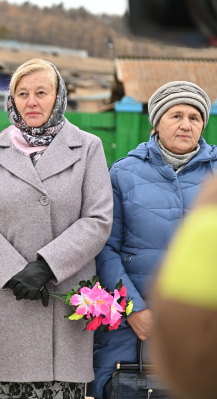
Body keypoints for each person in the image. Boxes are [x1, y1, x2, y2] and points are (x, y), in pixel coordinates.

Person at [0, 59, 113, 399]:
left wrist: (46, 266)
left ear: (59, 97)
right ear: (11, 100)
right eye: (22, 93)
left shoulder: (88, 148)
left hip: (60, 304)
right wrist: (14, 271)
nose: (31, 102)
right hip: (5, 303)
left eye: (41, 92)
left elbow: (98, 218)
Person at [89, 81, 217, 399]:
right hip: (130, 330)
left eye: (195, 117)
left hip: (202, 328)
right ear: (157, 122)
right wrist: (134, 310)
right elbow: (105, 247)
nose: (186, 124)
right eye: (176, 115)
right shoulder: (123, 173)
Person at [150, 177, 217, 399]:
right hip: (138, 319)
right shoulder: (123, 172)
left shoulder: (212, 173)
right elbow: (110, 247)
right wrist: (133, 308)